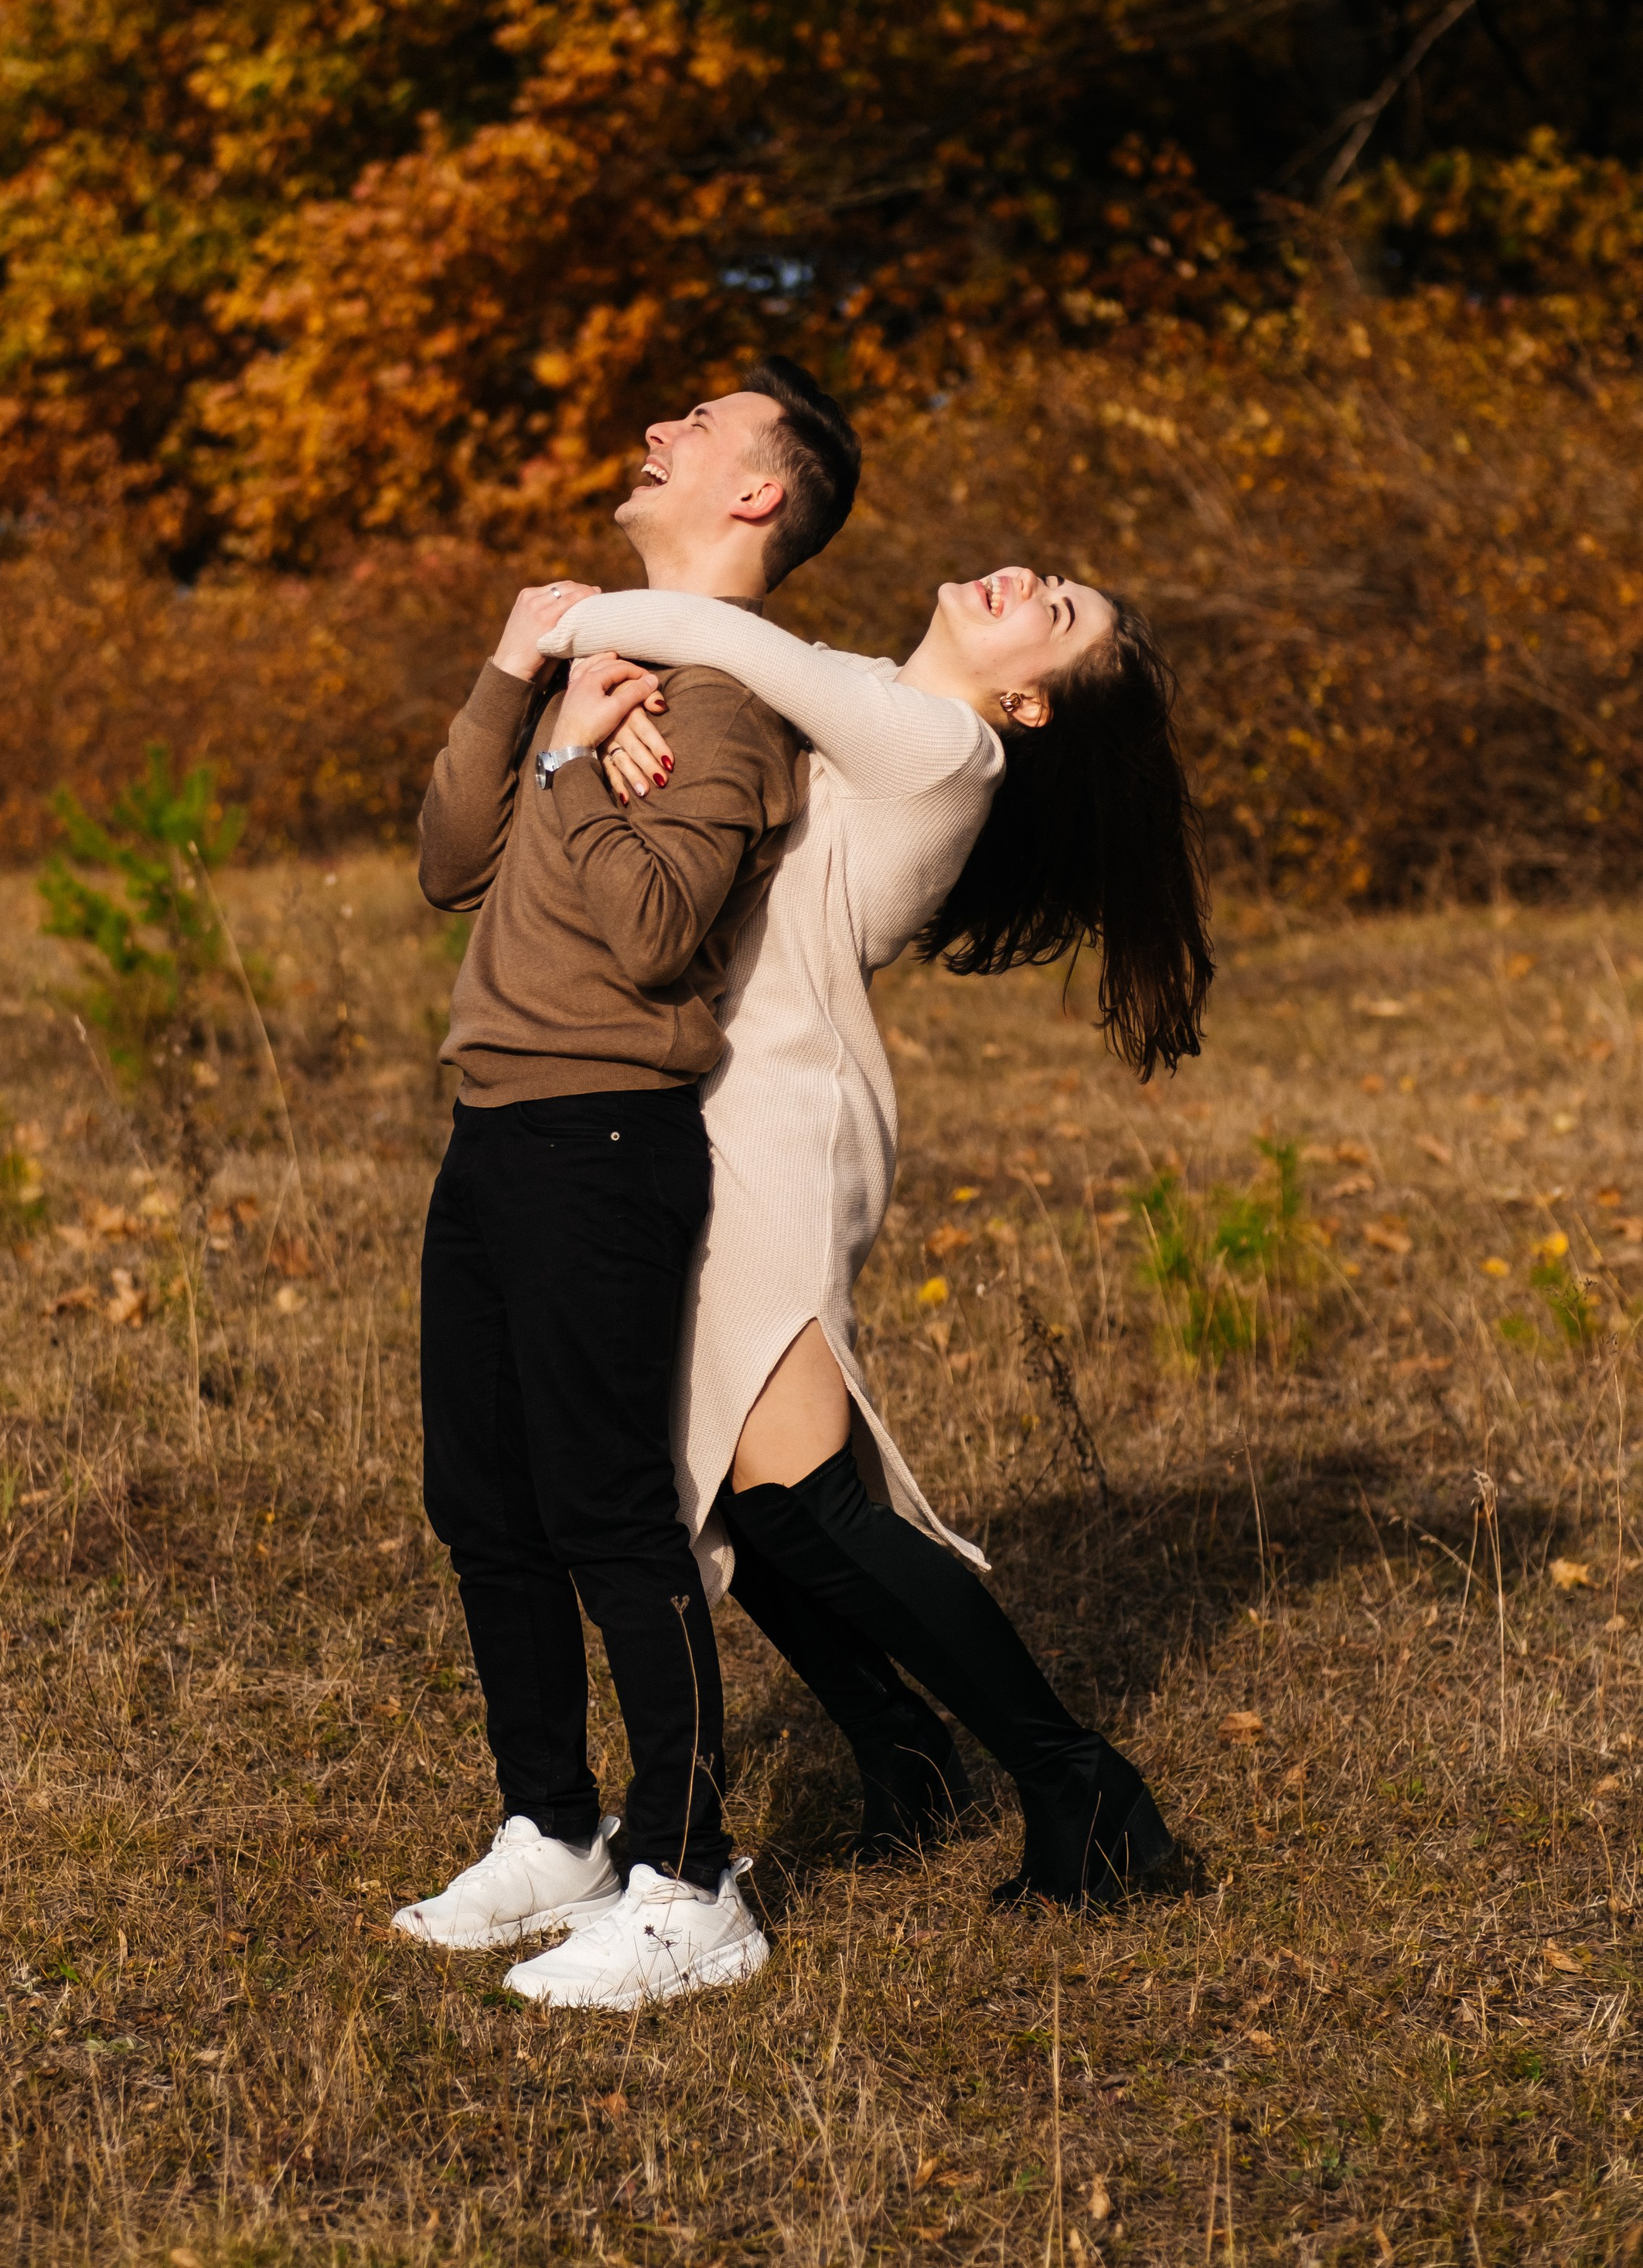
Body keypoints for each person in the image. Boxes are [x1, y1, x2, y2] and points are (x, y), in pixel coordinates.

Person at [536, 561, 1212, 1907]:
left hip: (778, 1127)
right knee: (738, 1488)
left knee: (797, 1493)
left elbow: (699, 629)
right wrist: (618, 719)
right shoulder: (872, 698)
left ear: (1027, 699)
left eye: (1058, 615)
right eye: (1057, 580)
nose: (1034, 581)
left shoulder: (939, 744)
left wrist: (554, 633)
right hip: (716, 1106)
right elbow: (722, 675)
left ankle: (1082, 1784)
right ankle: (900, 1745)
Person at [394, 359, 863, 2011]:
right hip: (495, 1126)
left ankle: (690, 1873)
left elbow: (657, 931)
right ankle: (551, 1824)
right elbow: (453, 859)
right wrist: (525, 689)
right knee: (485, 1501)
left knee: (605, 1509)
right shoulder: (608, 660)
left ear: (754, 491)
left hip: (603, 1134)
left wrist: (578, 766)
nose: (655, 430)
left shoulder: (730, 701)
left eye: (699, 425)